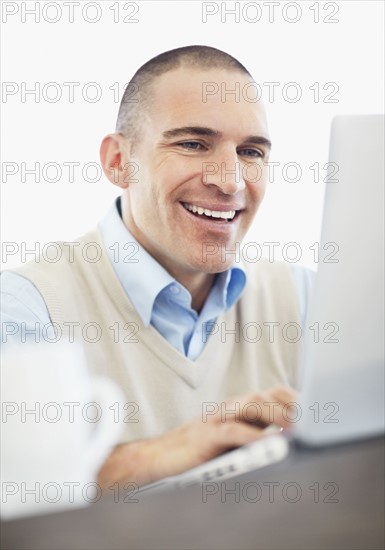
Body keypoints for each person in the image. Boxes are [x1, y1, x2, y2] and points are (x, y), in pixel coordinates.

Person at [1, 45, 313, 488]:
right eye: (192, 144)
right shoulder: (25, 311)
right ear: (117, 161)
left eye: (251, 152)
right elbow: (13, 492)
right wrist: (157, 456)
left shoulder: (305, 300)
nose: (229, 180)